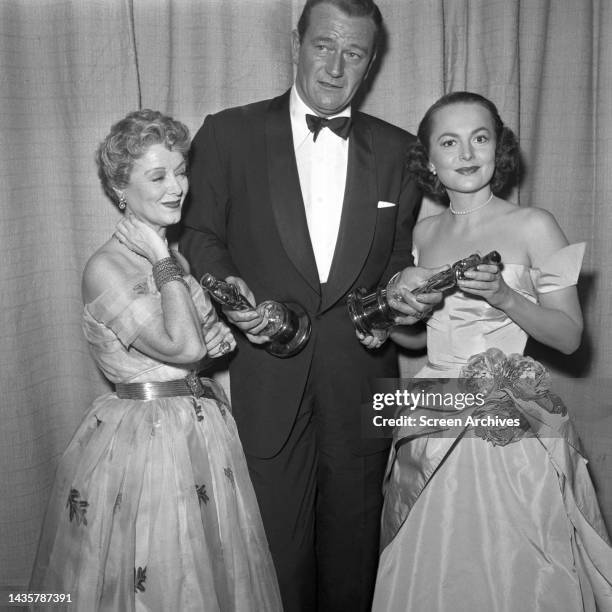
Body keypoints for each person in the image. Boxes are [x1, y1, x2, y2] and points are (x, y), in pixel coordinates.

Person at [179, 1, 443, 609]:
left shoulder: (400, 150)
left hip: (362, 382)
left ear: (371, 61)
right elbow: (197, 232)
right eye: (323, 45)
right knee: (274, 557)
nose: (335, 66)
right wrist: (225, 283)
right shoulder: (228, 132)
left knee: (356, 556)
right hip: (267, 376)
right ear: (294, 42)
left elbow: (398, 255)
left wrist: (408, 292)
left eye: (354, 53)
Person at [366, 92, 612, 611]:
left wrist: (503, 295)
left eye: (480, 138)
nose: (466, 152)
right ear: (429, 161)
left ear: (498, 147)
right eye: (449, 142)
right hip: (432, 409)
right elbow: (423, 334)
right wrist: (390, 328)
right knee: (435, 560)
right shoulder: (423, 233)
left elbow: (569, 336)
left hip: (509, 420)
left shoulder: (535, 225)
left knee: (514, 558)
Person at [29, 109, 282, 611]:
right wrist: (164, 260)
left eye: (181, 170)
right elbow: (183, 349)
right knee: (157, 576)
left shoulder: (176, 259)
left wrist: (233, 317)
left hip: (203, 432)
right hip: (144, 444)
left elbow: (204, 352)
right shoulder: (105, 268)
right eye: (158, 176)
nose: (177, 187)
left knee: (208, 574)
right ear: (121, 188)